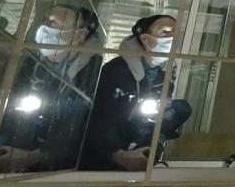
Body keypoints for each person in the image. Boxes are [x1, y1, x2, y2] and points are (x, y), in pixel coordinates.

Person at [0, 5, 104, 172]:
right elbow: (15, 101)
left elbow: (78, 129)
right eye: (44, 21)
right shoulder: (32, 62)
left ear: (79, 35)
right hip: (23, 142)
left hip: (57, 162)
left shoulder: (93, 73)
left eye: (53, 23)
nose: (43, 28)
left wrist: (38, 156)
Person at [80, 14, 191, 170]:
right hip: (106, 148)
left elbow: (164, 109)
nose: (173, 38)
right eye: (165, 32)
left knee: (181, 107)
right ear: (145, 39)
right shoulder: (116, 70)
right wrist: (116, 153)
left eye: (176, 33)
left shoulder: (163, 75)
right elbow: (100, 119)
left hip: (138, 129)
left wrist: (157, 138)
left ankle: (147, 150)